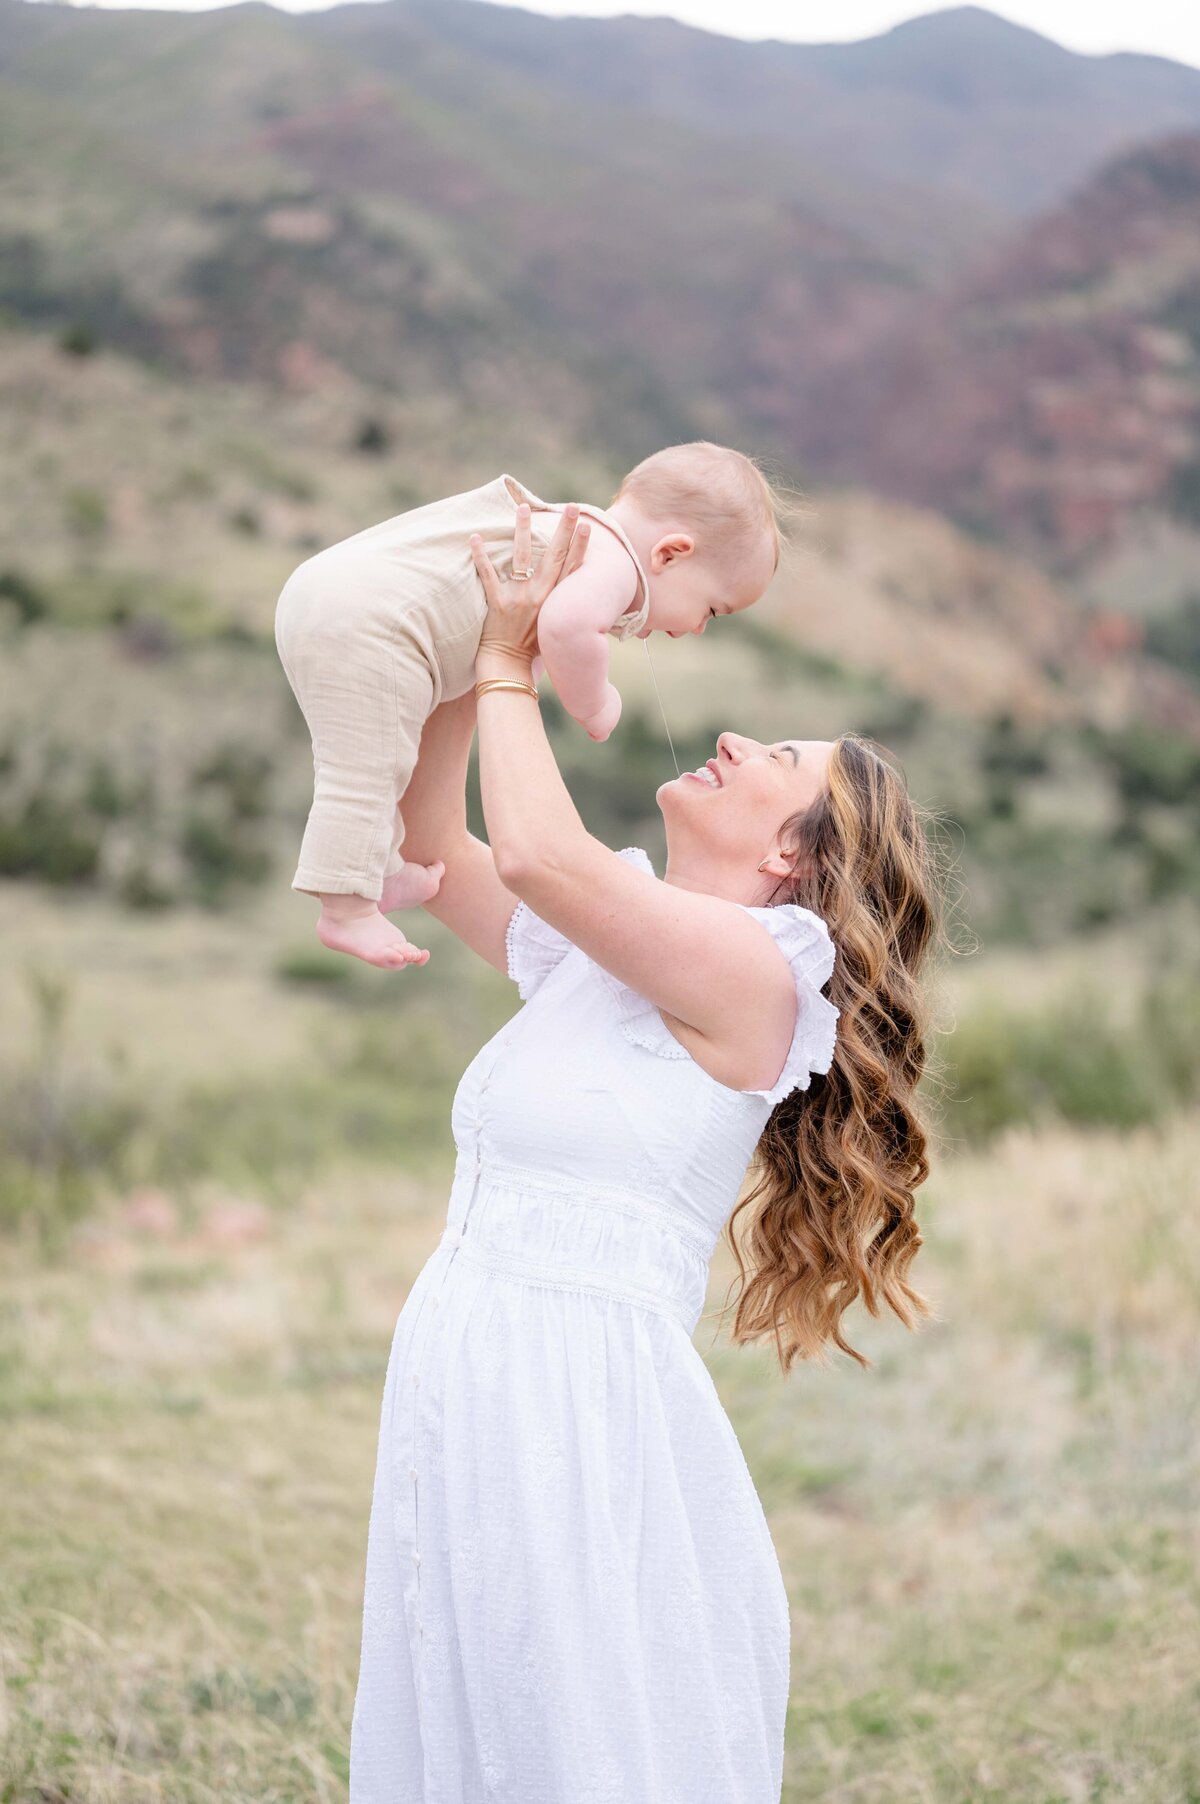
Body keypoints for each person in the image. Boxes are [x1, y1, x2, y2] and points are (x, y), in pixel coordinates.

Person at [346, 506, 942, 1803]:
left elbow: (540, 855)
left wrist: (515, 660)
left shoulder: (761, 978)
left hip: (575, 1402)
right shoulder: (604, 947)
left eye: (776, 757)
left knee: (571, 1730)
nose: (731, 737)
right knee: (477, 1704)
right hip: (471, 1363)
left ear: (795, 854)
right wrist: (469, 640)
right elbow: (433, 840)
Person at [274, 444, 780, 970]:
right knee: (364, 769)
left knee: (386, 758)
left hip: (343, 602)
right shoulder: (609, 560)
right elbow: (566, 627)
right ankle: (345, 909)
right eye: (712, 610)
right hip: (370, 628)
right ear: (670, 553)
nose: (696, 627)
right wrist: (596, 704)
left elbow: (529, 639)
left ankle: (376, 867)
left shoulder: (564, 531)